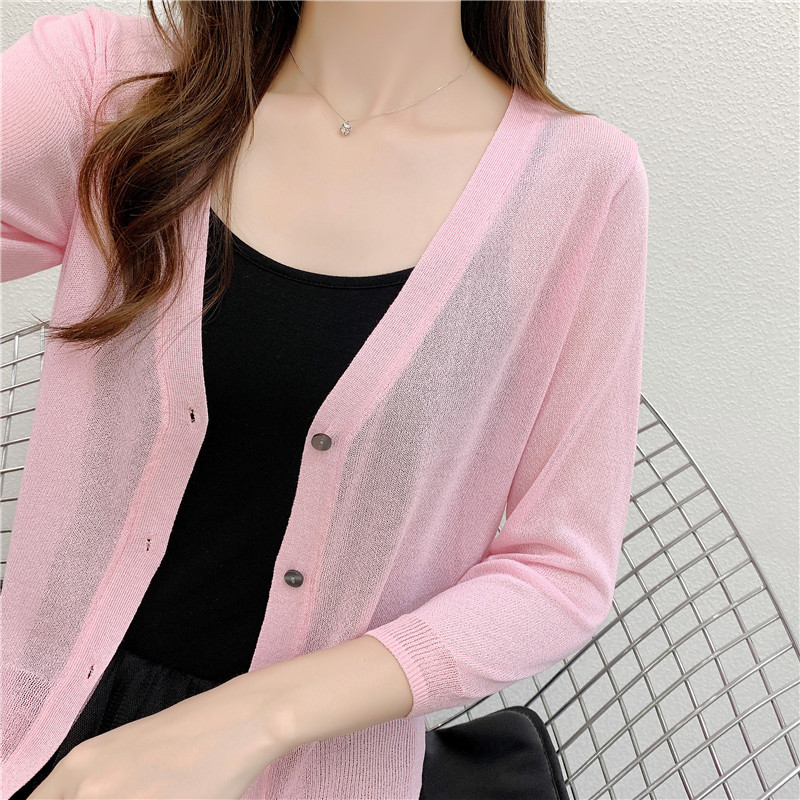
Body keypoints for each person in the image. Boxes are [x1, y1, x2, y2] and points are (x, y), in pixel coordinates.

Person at [0, 2, 649, 799]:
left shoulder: (579, 184)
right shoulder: (113, 83)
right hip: (31, 725)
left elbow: (558, 568)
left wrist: (253, 720)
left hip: (315, 766)